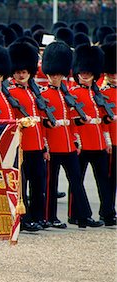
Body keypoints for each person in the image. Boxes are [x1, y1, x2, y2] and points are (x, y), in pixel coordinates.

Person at [40, 42, 102, 228]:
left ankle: (84, 216)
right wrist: (45, 146)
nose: (55, 78)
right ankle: (49, 217)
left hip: (68, 145)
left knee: (77, 181)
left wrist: (76, 139)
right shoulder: (43, 95)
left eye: (58, 74)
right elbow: (43, 123)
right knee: (51, 184)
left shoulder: (67, 93)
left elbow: (72, 120)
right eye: (52, 74)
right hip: (53, 144)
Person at [69, 44, 115, 226]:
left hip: (98, 143)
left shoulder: (97, 93)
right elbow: (73, 120)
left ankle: (108, 212)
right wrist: (76, 141)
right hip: (83, 143)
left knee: (104, 180)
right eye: (83, 72)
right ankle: (77, 214)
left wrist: (107, 141)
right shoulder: (73, 93)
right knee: (77, 182)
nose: (86, 75)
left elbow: (103, 120)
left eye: (89, 72)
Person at [8, 41, 47, 231]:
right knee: (21, 187)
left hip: (37, 144)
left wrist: (45, 145)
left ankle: (39, 216)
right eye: (17, 72)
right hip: (21, 145)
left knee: (39, 183)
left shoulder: (34, 91)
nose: (21, 75)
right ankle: (24, 218)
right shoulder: (10, 92)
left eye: (24, 72)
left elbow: (42, 119)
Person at [100, 41, 117, 225]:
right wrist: (107, 140)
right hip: (112, 140)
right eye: (111, 74)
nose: (113, 77)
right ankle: (108, 211)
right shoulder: (104, 93)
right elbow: (103, 120)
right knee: (110, 181)